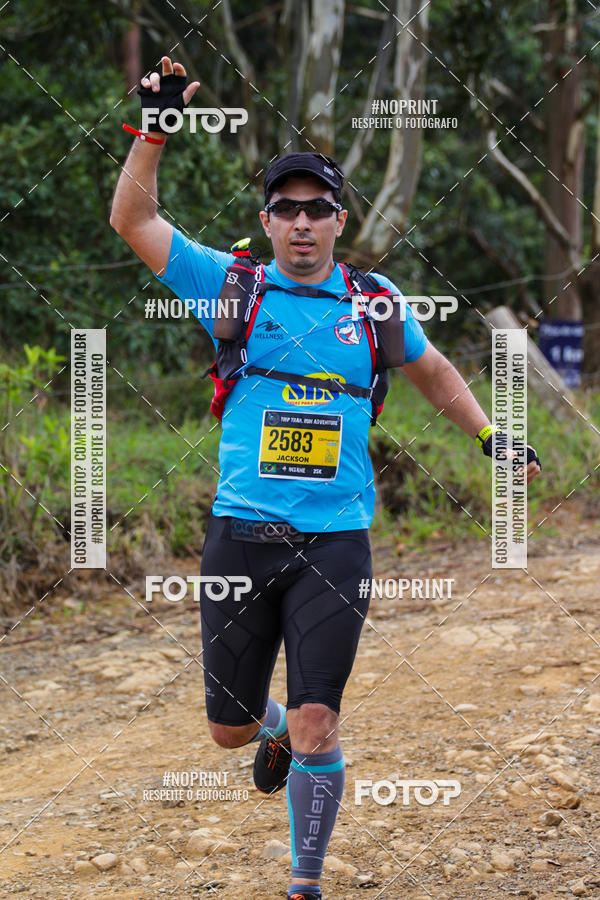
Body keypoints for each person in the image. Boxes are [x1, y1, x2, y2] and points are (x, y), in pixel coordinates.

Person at [110, 57, 542, 900]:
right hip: (241, 532)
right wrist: (152, 133)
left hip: (335, 542)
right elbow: (132, 217)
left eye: (317, 209)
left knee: (320, 722)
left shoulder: (375, 304)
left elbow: (437, 375)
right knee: (228, 731)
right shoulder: (226, 284)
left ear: (339, 220)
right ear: (267, 221)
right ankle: (263, 727)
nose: (301, 223)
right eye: (286, 209)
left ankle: (304, 885)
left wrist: (494, 437)